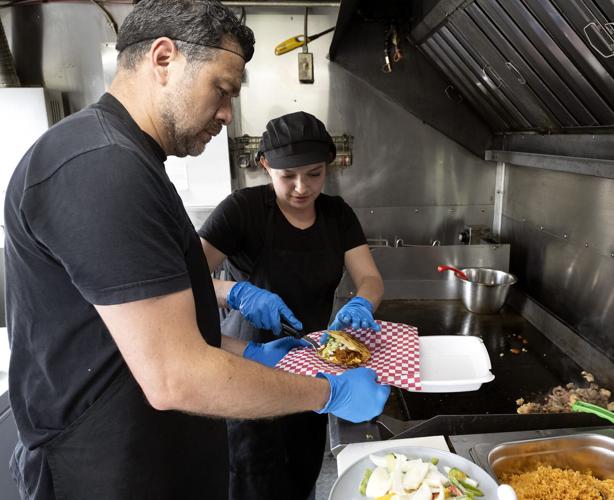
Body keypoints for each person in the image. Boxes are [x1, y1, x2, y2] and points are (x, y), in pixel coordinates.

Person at [3, 2, 390, 499]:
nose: (227, 114)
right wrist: (327, 392)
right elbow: (174, 375)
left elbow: (151, 332)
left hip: (149, 459)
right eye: (222, 90)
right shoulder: (101, 168)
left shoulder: (131, 162)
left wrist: (246, 350)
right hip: (105, 470)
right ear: (163, 59)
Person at [200, 111, 386, 499]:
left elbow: (369, 279)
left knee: (301, 472)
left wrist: (362, 304)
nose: (302, 187)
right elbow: (185, 280)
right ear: (265, 165)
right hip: (248, 365)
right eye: (288, 176)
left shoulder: (337, 215)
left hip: (311, 367)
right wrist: (236, 292)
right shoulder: (242, 210)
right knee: (253, 478)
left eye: (314, 174)